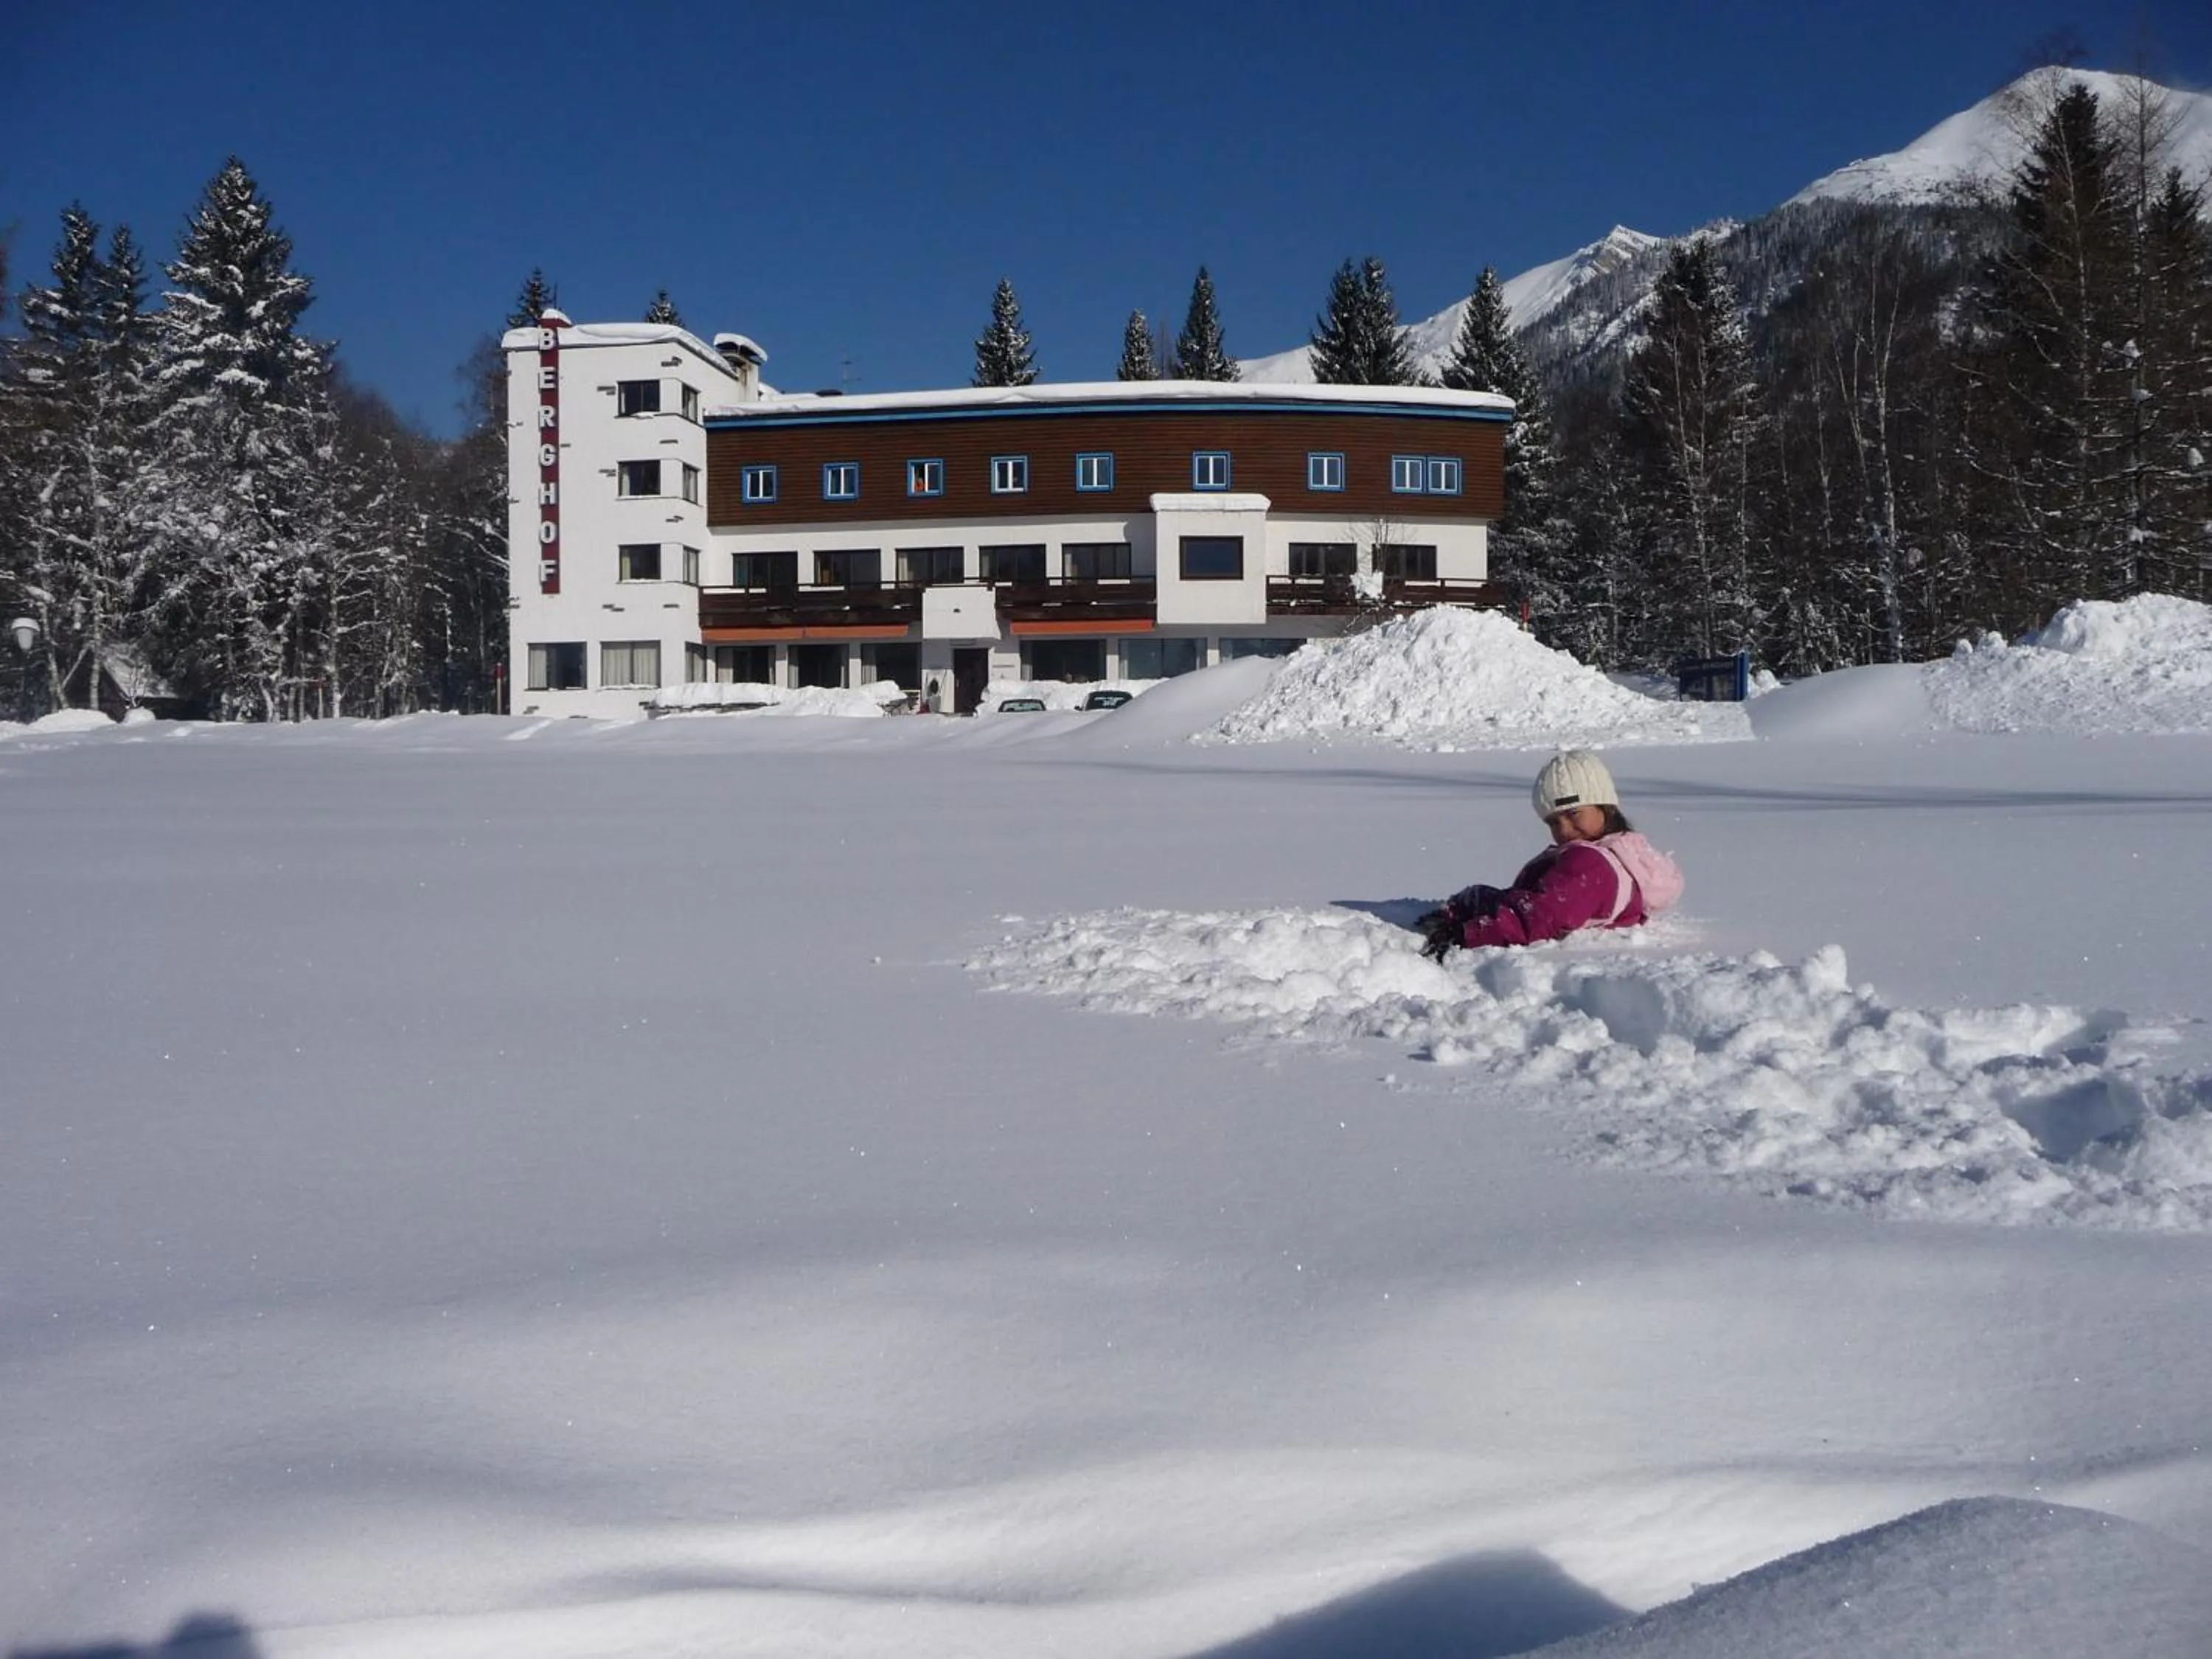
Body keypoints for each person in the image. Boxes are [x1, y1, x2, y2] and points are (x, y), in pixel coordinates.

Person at [1418, 751, 1683, 959]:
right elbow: (1528, 903)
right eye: (1553, 823)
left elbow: (1537, 918)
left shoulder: (1591, 865)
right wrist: (1467, 903)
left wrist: (1463, 935)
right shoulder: (1614, 855)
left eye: (1573, 813)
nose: (1565, 830)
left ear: (1606, 806)